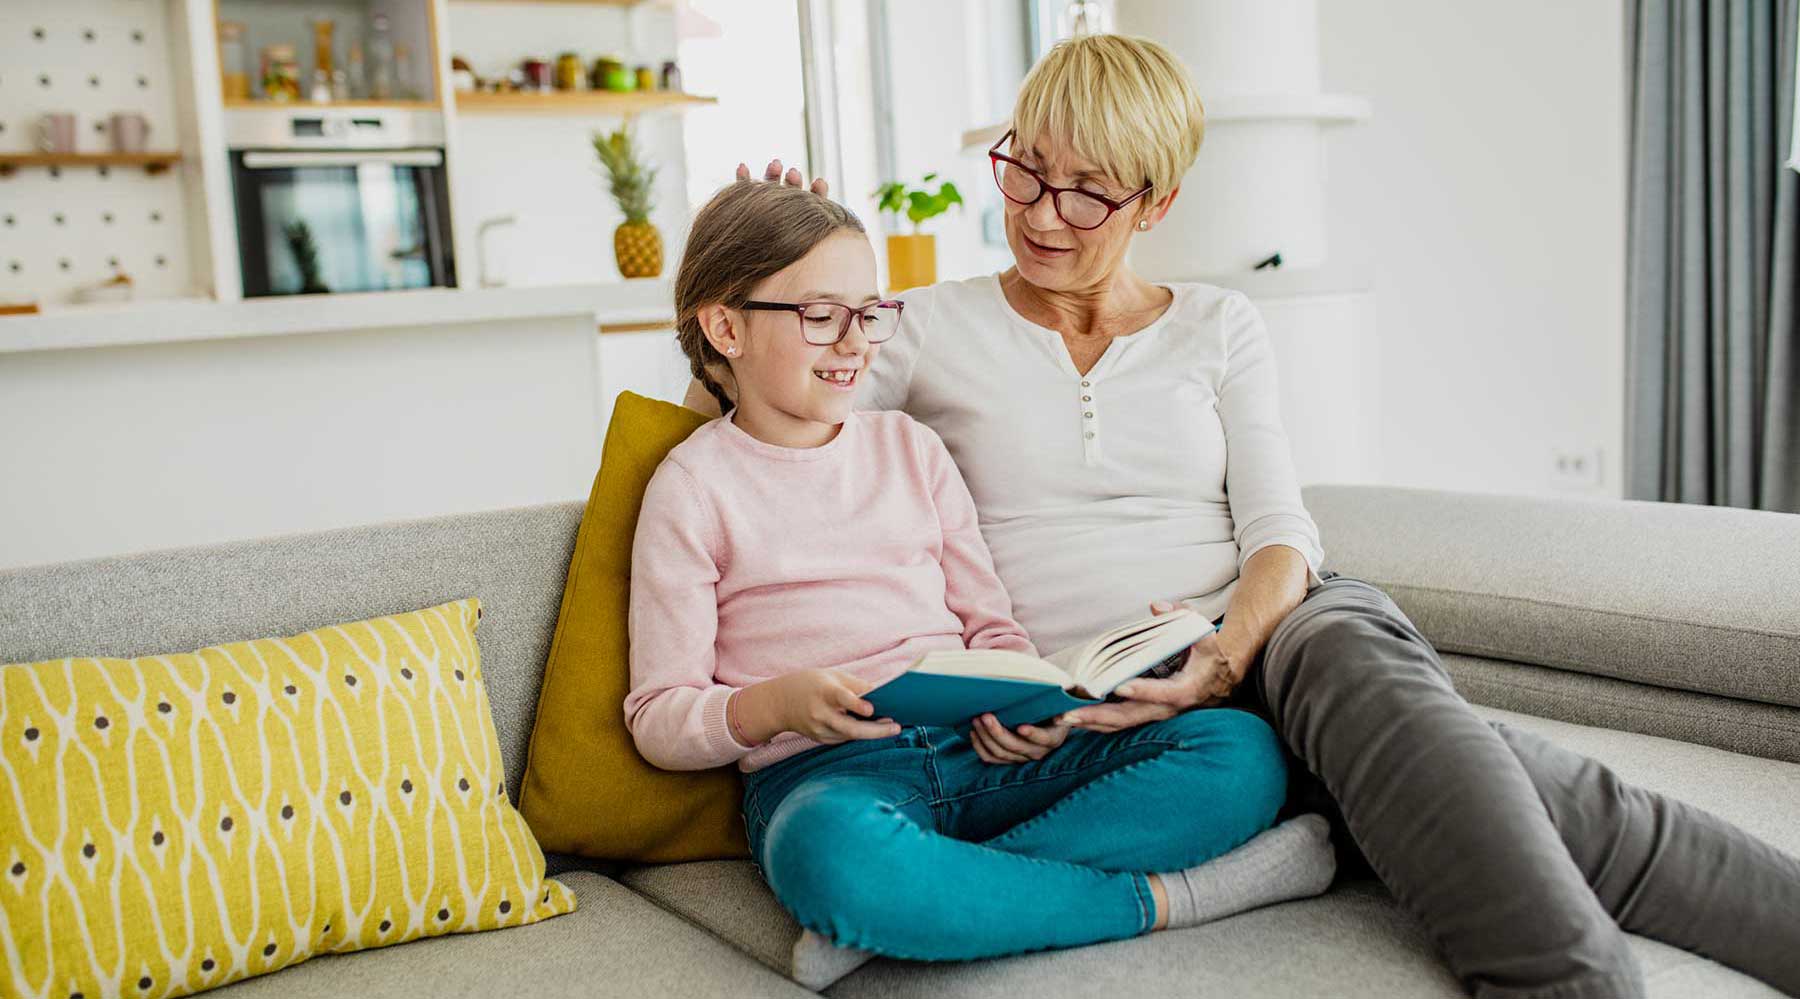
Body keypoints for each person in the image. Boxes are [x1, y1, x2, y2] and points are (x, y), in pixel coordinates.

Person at [697, 32, 1800, 998]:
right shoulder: (925, 329)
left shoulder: (1219, 325)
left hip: (1272, 634)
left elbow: (1282, 530)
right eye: (1027, 169)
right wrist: (761, 264)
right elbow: (767, 416)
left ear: (1156, 204)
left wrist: (1226, 657)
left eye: (1087, 191)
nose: (1040, 212)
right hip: (1098, 704)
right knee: (1526, 786)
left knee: (1389, 701)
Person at [624, 178, 1335, 962]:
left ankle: (915, 907)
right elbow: (660, 716)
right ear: (725, 325)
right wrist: (773, 705)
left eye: (870, 314)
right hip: (834, 779)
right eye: (822, 316)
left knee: (1239, 754)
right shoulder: (691, 488)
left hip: (978, 748)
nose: (857, 343)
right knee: (827, 852)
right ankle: (1170, 899)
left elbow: (989, 620)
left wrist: (1022, 693)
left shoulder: (911, 448)